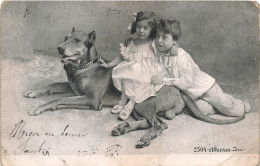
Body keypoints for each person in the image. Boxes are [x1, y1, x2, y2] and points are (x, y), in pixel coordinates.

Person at [152, 17, 251, 119]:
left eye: (164, 38)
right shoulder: (161, 55)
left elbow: (186, 82)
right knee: (200, 111)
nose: (159, 41)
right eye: (157, 36)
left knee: (231, 109)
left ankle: (241, 105)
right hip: (190, 94)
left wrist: (164, 80)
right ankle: (215, 108)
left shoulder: (181, 55)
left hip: (204, 87)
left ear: (174, 40)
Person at [100, 11, 167, 120]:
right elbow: (122, 57)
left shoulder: (154, 42)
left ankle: (129, 106)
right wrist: (109, 65)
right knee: (127, 76)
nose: (141, 31)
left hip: (148, 72)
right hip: (133, 70)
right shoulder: (132, 42)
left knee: (139, 81)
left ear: (152, 29)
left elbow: (165, 50)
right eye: (139, 27)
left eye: (146, 28)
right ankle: (122, 102)